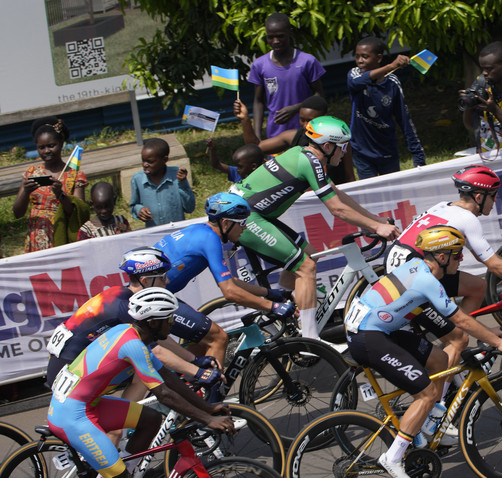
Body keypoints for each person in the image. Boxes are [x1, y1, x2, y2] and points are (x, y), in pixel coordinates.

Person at [345, 226, 502, 478]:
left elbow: (449, 324)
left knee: (440, 360)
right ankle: (392, 457)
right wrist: (497, 342)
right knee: (427, 393)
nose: (461, 260)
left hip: (377, 329)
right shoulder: (427, 280)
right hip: (367, 337)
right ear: (442, 257)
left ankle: (428, 423)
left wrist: (488, 332)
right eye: (458, 255)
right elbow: (460, 319)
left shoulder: (418, 266)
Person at [230, 116, 400, 339]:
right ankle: (310, 339)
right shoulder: (310, 161)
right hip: (246, 218)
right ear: (328, 146)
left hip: (253, 213)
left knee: (311, 255)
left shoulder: (306, 154)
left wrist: (374, 219)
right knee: (306, 267)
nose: (345, 152)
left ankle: (279, 308)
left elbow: (335, 193)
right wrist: (376, 228)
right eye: (343, 146)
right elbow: (337, 210)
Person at [47, 287, 235, 478]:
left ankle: (130, 471)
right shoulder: (132, 345)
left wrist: (207, 408)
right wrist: (208, 419)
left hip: (87, 405)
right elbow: (164, 394)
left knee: (151, 419)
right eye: (169, 319)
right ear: (153, 322)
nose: (172, 325)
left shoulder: (131, 334)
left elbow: (167, 377)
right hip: (71, 416)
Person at [385, 165, 502, 315]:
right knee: (475, 292)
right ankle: (456, 337)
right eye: (493, 195)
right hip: (411, 274)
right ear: (478, 197)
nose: (495, 200)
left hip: (397, 263)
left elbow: (486, 258)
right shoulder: (467, 219)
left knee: (475, 285)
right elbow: (494, 266)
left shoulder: (442, 206)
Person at [45, 247, 223, 388]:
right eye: (162, 277)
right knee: (148, 365)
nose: (167, 282)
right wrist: (197, 372)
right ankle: (120, 432)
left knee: (145, 365)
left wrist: (193, 360)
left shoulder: (121, 295)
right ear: (146, 281)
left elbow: (157, 338)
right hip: (68, 372)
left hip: (66, 362)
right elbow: (156, 351)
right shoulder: (126, 308)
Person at [154, 192, 295, 366]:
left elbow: (231, 281)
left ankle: (189, 381)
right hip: (155, 300)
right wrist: (273, 307)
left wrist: (269, 292)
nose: (245, 228)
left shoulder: (200, 231)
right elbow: (229, 292)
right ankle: (209, 388)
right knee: (218, 338)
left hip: (156, 296)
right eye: (242, 223)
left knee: (203, 340)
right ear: (226, 223)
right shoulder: (210, 239)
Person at [348, 36, 426, 178]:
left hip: (387, 150)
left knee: (393, 194)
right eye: (357, 56)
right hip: (362, 151)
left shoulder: (392, 83)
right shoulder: (355, 75)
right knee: (371, 194)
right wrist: (392, 66)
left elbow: (404, 119)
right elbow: (356, 82)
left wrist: (417, 154)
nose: (360, 61)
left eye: (365, 57)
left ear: (378, 58)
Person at [234, 96, 356, 184]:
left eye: (310, 120)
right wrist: (245, 119)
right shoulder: (292, 136)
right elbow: (255, 147)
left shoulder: (339, 141)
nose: (305, 125)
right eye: (302, 119)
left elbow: (349, 176)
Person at [13, 117, 88, 252]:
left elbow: (79, 213)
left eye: (51, 145)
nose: (46, 151)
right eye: (41, 147)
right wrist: (25, 191)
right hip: (37, 237)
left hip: (63, 235)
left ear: (61, 143)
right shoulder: (31, 172)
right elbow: (17, 213)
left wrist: (60, 194)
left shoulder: (75, 175)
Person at [249, 12, 325, 140]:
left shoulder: (307, 61)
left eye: (280, 36)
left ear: (290, 32)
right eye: (270, 37)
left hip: (306, 132)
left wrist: (296, 108)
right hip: (275, 133)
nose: (275, 41)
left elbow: (320, 95)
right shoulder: (260, 65)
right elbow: (258, 101)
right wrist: (257, 135)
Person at [129, 137, 195, 227]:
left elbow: (189, 208)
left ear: (164, 160)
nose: (145, 165)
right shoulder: (138, 179)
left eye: (150, 162)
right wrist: (139, 210)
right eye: (143, 160)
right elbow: (133, 205)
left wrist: (182, 183)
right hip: (154, 234)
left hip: (176, 233)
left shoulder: (177, 176)